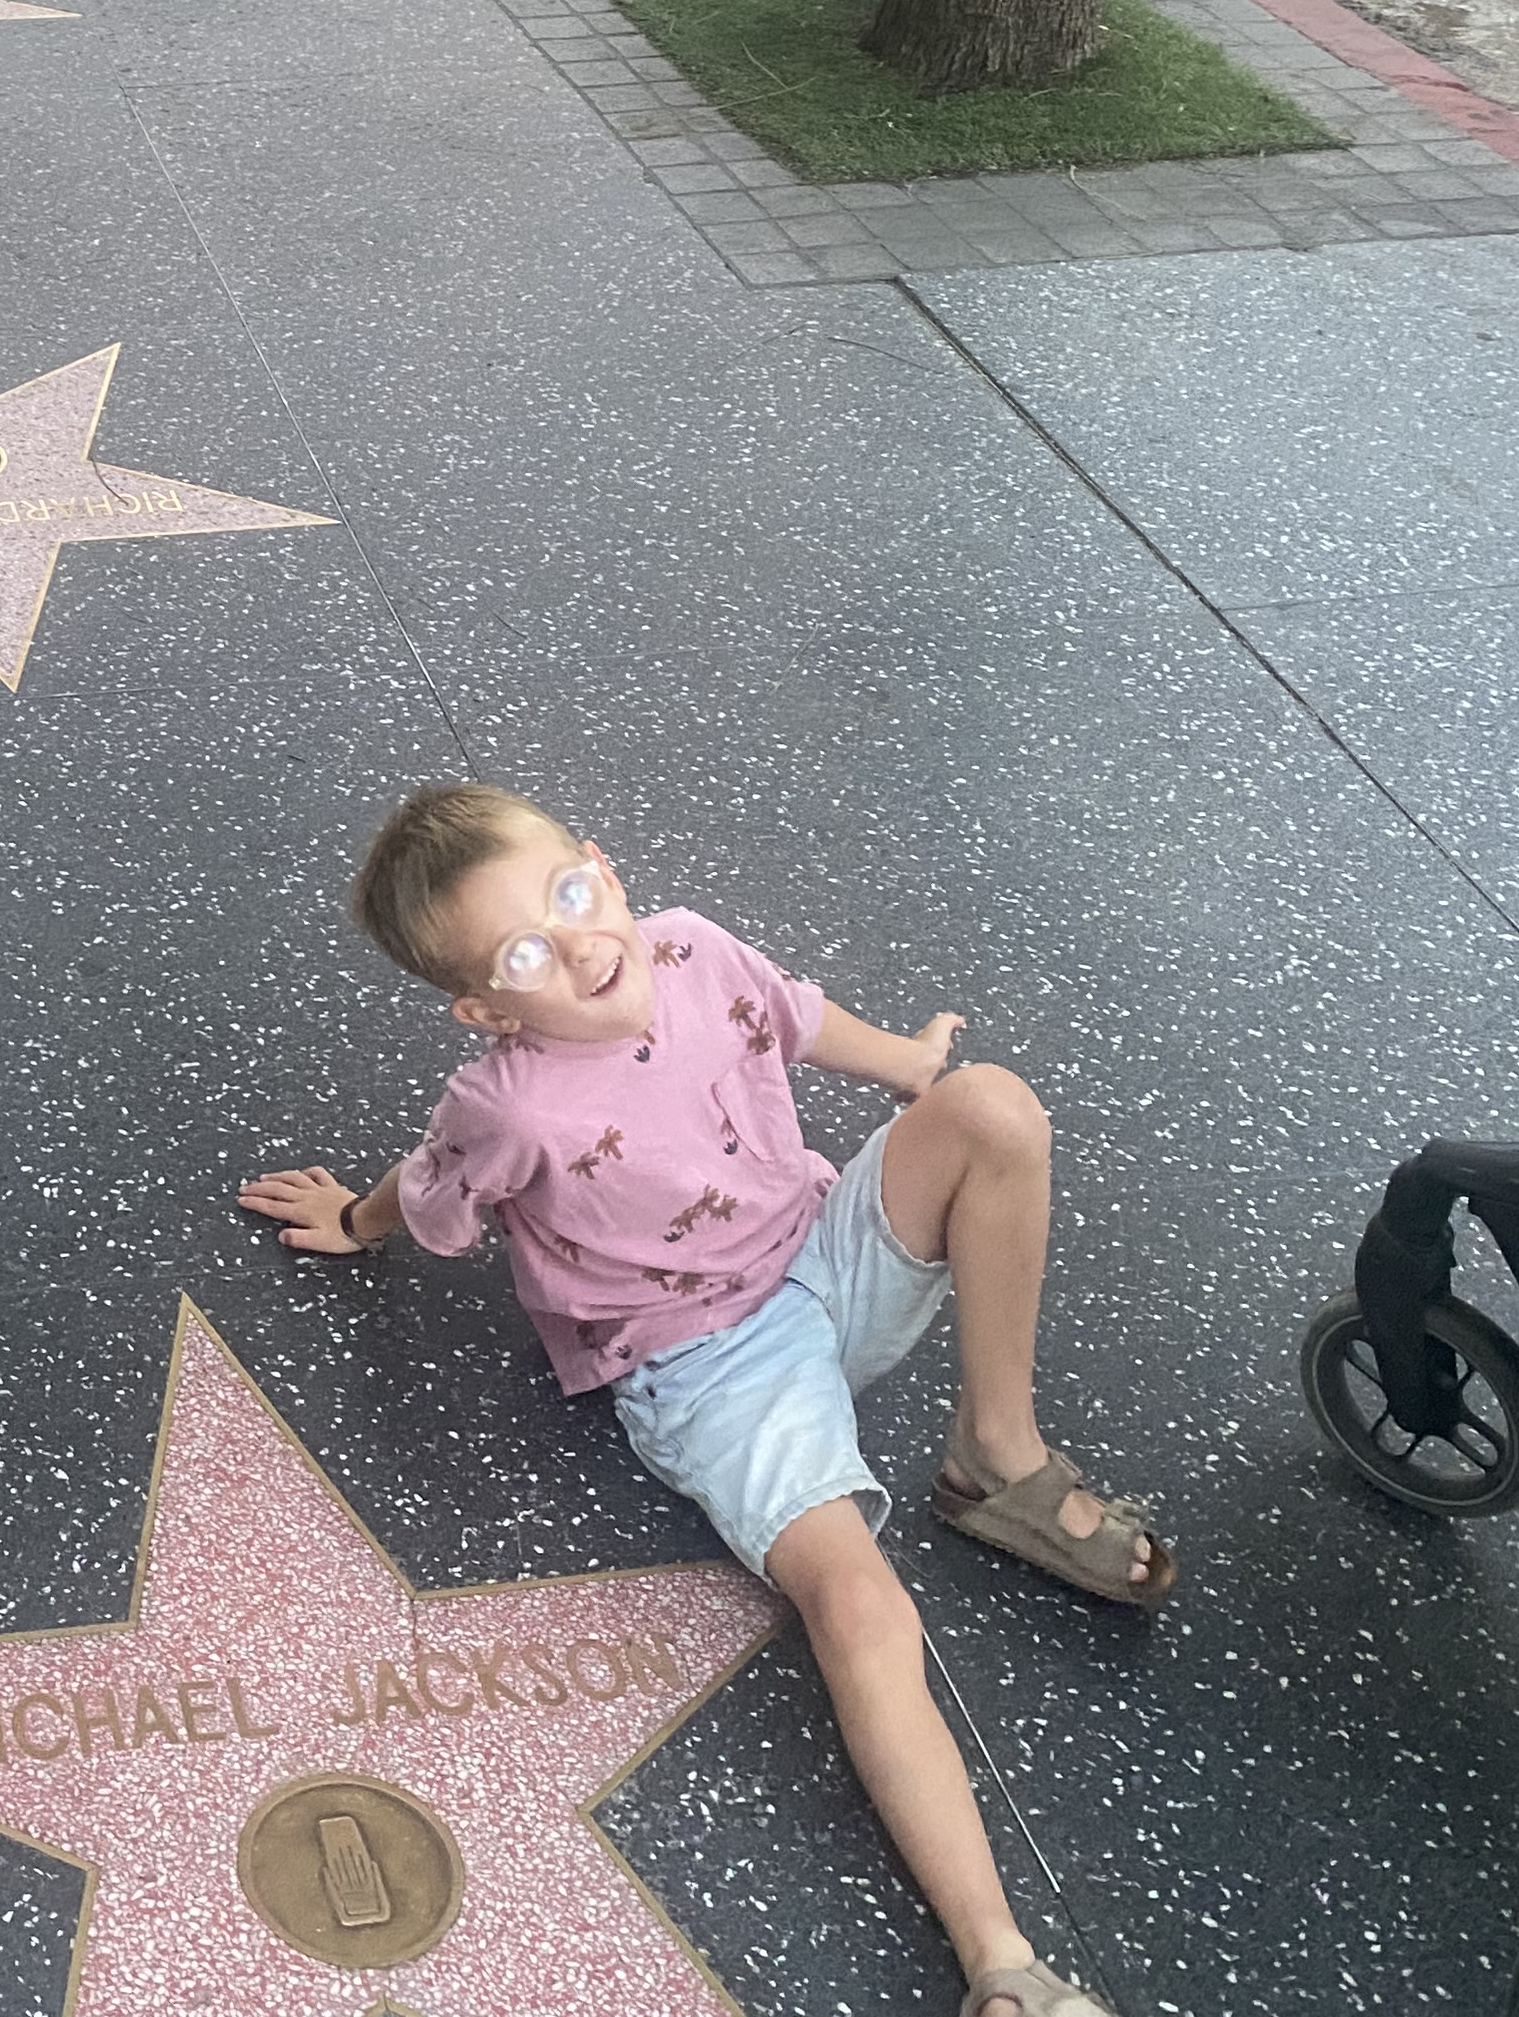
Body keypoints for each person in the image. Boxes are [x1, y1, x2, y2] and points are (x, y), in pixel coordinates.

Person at [241, 782, 1167, 2017]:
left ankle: (996, 1453)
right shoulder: (507, 1106)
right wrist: (355, 1224)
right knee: (854, 1602)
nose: (576, 946)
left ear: (603, 866)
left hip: (819, 1249)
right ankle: (1005, 1967)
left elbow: (788, 1017)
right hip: (706, 1360)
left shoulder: (691, 946)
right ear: (482, 1006)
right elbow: (435, 1194)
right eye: (524, 950)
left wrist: (910, 1067)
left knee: (993, 1106)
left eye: (572, 896)